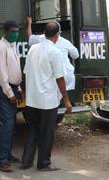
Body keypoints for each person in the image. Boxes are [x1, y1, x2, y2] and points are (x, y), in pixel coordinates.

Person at [22, 22, 72, 171]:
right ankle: (44, 163)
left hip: (32, 100)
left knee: (32, 130)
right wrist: (67, 100)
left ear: (44, 33)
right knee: (47, 133)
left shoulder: (33, 49)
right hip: (47, 101)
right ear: (57, 35)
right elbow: (60, 78)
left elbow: (26, 72)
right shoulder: (54, 52)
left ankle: (26, 160)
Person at [0, 20, 22, 172]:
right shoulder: (0, 48)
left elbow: (16, 68)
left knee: (12, 124)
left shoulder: (12, 46)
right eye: (13, 31)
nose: (15, 34)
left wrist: (19, 88)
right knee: (7, 125)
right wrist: (10, 92)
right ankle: (0, 160)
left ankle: (7, 155)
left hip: (14, 88)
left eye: (17, 31)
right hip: (5, 89)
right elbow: (2, 73)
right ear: (5, 31)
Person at [26, 17, 79, 90]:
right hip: (67, 79)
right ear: (59, 33)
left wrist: (29, 24)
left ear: (45, 32)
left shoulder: (40, 39)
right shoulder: (65, 42)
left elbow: (30, 38)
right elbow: (76, 55)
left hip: (51, 80)